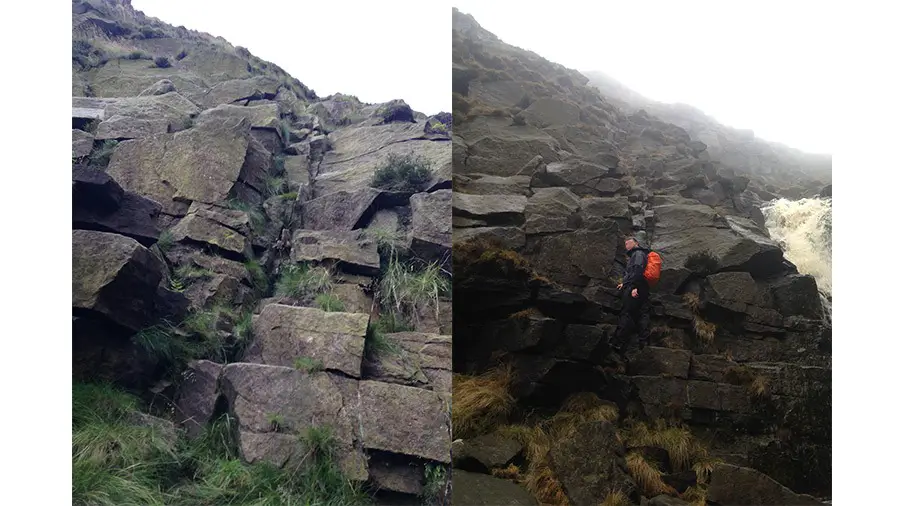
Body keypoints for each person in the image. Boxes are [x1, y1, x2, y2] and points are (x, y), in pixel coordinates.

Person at [611, 236, 652, 352]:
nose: (627, 246)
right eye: (626, 244)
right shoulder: (639, 254)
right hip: (642, 287)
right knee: (642, 314)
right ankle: (644, 343)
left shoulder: (638, 254)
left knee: (627, 313)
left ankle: (618, 343)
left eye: (629, 243)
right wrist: (624, 283)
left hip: (636, 287)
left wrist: (634, 287)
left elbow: (637, 270)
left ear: (636, 243)